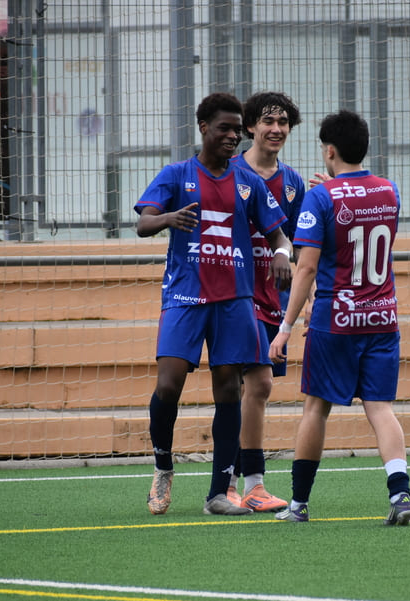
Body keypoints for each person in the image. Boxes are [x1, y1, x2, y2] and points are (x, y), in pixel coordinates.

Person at [135, 92, 294, 516]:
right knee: (168, 384)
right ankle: (163, 467)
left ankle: (219, 493)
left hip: (234, 300)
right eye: (223, 128)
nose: (231, 135)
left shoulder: (249, 183)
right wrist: (168, 218)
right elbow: (142, 222)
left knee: (229, 389)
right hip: (185, 295)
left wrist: (281, 254)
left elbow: (279, 234)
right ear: (203, 127)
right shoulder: (176, 174)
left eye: (236, 128)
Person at [268, 109, 410, 525]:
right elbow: (360, 216)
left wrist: (284, 328)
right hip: (383, 317)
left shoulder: (320, 197)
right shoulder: (391, 191)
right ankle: (400, 494)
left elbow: (307, 267)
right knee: (381, 408)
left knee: (316, 408)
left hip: (336, 320)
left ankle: (298, 505)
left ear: (329, 151)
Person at [226, 91, 305, 512]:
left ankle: (230, 481)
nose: (276, 129)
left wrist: (325, 199)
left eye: (283, 123)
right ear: (251, 126)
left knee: (247, 389)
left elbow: (300, 241)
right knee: (259, 384)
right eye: (267, 122)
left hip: (276, 297)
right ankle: (253, 483)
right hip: (236, 295)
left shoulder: (293, 183)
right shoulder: (229, 171)